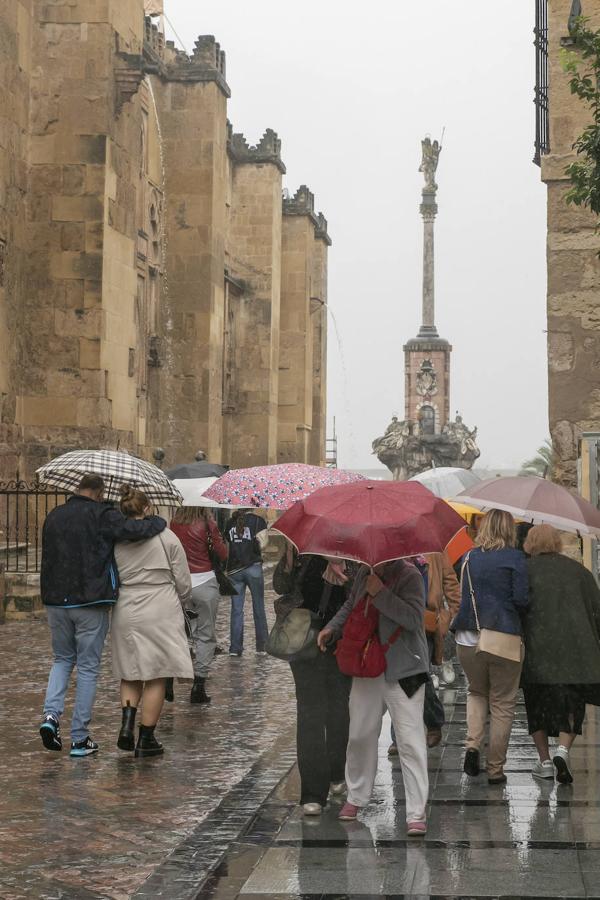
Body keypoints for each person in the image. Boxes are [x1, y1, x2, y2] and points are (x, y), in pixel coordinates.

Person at [39, 474, 166, 757]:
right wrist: (158, 521)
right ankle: (79, 739)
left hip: (56, 600)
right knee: (87, 667)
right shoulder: (102, 515)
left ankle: (50, 716)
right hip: (90, 600)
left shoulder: (54, 515)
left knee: (62, 659)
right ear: (99, 492)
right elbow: (137, 529)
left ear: (78, 488)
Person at [318, 559, 430, 836]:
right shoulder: (363, 573)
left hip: (404, 669)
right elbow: (351, 605)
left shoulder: (410, 576)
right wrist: (333, 627)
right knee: (359, 733)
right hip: (367, 664)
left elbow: (413, 618)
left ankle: (416, 811)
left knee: (410, 740)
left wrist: (380, 593)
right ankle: (356, 795)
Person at [112, 486, 193, 757]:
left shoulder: (116, 538)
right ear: (147, 508)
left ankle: (127, 726)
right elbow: (183, 580)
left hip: (126, 605)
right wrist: (184, 599)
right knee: (158, 672)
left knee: (130, 670)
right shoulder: (167, 537)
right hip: (160, 605)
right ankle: (146, 738)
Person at [273, 546, 353, 816]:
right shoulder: (303, 547)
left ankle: (337, 772)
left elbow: (360, 593)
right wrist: (289, 559)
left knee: (338, 708)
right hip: (303, 638)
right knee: (309, 711)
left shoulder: (352, 549)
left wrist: (341, 567)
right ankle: (312, 792)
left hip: (341, 640)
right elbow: (280, 586)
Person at [452, 509, 528, 784]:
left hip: (467, 636)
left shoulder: (468, 557)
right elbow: (521, 599)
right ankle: (495, 769)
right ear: (509, 530)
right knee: (502, 702)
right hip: (502, 636)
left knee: (476, 692)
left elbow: (463, 595)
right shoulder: (515, 558)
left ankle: (473, 745)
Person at [521, 524, 600, 784]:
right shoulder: (579, 572)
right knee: (573, 702)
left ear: (530, 543)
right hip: (574, 652)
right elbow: (597, 609)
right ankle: (563, 751)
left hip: (537, 650)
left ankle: (544, 762)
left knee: (536, 704)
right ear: (557, 542)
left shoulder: (524, 571)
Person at [389, 552, 460, 754]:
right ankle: (401, 735)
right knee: (400, 678)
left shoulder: (436, 553)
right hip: (399, 623)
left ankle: (430, 721)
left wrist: (451, 615)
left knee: (420, 675)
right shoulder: (395, 553)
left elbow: (451, 585)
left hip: (426, 625)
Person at [170, 506, 228, 704]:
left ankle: (169, 679)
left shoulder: (174, 523)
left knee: (181, 633)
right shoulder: (207, 522)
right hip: (204, 582)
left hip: (181, 584)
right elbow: (222, 553)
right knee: (205, 635)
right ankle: (198, 686)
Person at [224, 508, 269, 656]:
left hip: (234, 570)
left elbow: (228, 543)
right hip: (253, 567)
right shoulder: (258, 521)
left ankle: (235, 648)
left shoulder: (229, 522)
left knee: (236, 610)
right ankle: (262, 646)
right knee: (258, 607)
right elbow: (264, 544)